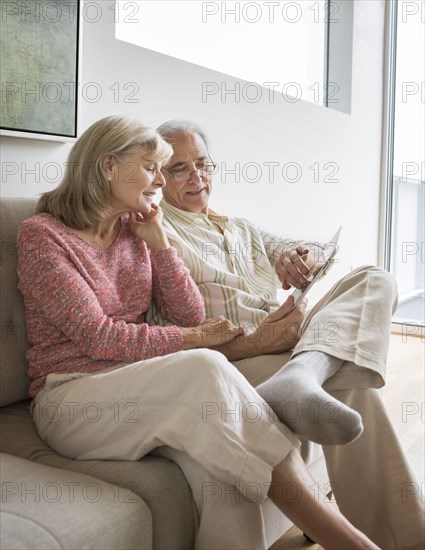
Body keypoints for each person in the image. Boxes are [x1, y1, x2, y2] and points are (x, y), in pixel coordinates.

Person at [16, 115, 383, 550]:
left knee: (221, 478)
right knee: (202, 364)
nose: (158, 181)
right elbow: (101, 337)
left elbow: (187, 313)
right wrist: (195, 340)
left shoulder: (134, 229)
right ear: (108, 166)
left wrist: (159, 244)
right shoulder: (42, 236)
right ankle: (350, 542)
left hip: (140, 386)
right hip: (71, 398)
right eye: (152, 167)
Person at [147, 119, 425, 550]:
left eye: (203, 164)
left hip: (292, 337)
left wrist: (301, 256)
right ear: (159, 176)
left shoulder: (238, 226)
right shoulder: (157, 231)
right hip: (239, 355)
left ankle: (306, 371)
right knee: (352, 384)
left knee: (375, 278)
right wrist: (256, 341)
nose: (198, 177)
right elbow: (162, 327)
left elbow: (299, 246)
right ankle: (410, 538)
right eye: (181, 168)